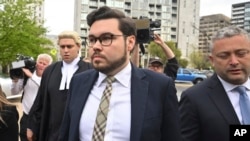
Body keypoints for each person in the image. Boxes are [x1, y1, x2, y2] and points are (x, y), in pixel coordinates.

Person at [59, 6, 181, 141]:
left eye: (106, 38)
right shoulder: (78, 82)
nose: (96, 46)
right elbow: (66, 133)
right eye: (92, 39)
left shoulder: (160, 87)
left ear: (130, 42)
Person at [179, 25, 250, 141]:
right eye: (224, 56)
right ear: (212, 60)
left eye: (241, 53)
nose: (234, 62)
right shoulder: (194, 98)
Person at [27, 31, 92, 141]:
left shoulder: (90, 70)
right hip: (52, 131)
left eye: (69, 46)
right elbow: (40, 100)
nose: (65, 50)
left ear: (78, 47)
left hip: (78, 132)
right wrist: (32, 126)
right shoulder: (50, 70)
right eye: (62, 47)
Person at [11, 53, 53, 141]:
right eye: (40, 62)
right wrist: (15, 80)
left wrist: (31, 75)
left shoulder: (50, 78)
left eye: (44, 64)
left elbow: (44, 86)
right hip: (26, 116)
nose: (41, 65)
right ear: (36, 63)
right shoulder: (27, 76)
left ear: (49, 66)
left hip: (40, 118)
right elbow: (14, 92)